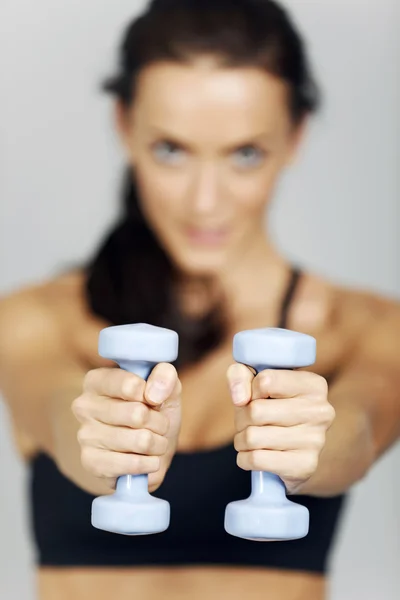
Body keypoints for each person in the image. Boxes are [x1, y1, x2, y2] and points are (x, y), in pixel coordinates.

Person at [0, 0, 399, 599]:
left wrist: (312, 450)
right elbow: (60, 416)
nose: (204, 203)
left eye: (245, 155)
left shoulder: (369, 328)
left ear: (294, 139)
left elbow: (359, 434)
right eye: (171, 150)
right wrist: (101, 436)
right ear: (123, 127)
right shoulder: (33, 318)